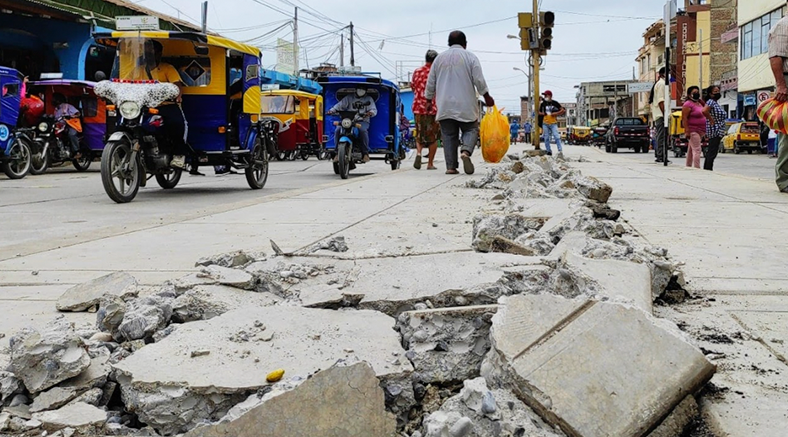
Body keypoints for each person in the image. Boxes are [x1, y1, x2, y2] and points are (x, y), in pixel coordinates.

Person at [425, 30, 494, 175]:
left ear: (448, 43)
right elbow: (479, 80)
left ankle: (451, 167)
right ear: (465, 44)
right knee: (470, 129)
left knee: (449, 136)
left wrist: (428, 100)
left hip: (444, 105)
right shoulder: (470, 57)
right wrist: (486, 95)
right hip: (466, 104)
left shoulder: (438, 59)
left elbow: (430, 82)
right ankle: (466, 152)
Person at [132, 40, 194, 173]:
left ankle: (179, 155)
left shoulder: (167, 68)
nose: (148, 53)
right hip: (144, 106)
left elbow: (177, 84)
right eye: (146, 50)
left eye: (151, 50)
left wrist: (177, 95)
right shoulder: (139, 70)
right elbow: (131, 84)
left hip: (166, 105)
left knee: (176, 124)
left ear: (159, 53)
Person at [327, 86, 377, 163]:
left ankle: (365, 154)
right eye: (359, 89)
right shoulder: (349, 98)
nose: (361, 91)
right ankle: (337, 153)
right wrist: (332, 110)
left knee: (362, 131)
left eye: (363, 89)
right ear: (356, 90)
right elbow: (339, 105)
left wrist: (370, 113)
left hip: (362, 121)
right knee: (337, 130)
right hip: (348, 121)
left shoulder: (368, 99)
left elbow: (373, 109)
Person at [410, 50, 441, 170]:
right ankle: (430, 164)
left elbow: (413, 87)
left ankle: (418, 154)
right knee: (433, 137)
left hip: (418, 108)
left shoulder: (417, 72)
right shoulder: (436, 73)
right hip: (432, 109)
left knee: (419, 135)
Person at [768, 10, 788, 193]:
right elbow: (775, 58)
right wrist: (781, 85)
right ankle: (784, 179)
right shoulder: (784, 25)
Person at [681, 86, 706, 169]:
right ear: (689, 94)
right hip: (693, 130)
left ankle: (688, 165)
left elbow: (706, 109)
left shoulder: (699, 103)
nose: (696, 94)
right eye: (694, 92)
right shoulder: (688, 104)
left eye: (697, 92)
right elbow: (684, 118)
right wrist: (687, 131)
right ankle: (697, 167)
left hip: (701, 130)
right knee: (697, 150)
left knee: (691, 149)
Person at [702, 85, 725, 171]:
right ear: (710, 94)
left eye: (718, 91)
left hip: (718, 130)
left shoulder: (715, 103)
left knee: (713, 151)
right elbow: (704, 111)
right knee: (712, 151)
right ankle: (708, 168)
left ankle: (708, 167)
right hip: (715, 130)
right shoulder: (711, 102)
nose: (717, 93)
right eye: (715, 92)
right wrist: (711, 120)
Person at [650, 67, 669, 163]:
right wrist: (665, 114)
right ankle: (661, 155)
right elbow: (661, 101)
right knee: (662, 136)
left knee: (661, 135)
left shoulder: (659, 84)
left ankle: (660, 154)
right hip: (661, 115)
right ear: (663, 74)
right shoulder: (661, 84)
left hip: (659, 114)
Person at [538, 90, 565, 156]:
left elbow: (562, 110)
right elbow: (539, 112)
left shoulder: (555, 103)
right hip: (545, 123)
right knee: (546, 137)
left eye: (546, 95)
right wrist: (542, 113)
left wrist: (556, 113)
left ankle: (560, 150)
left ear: (550, 96)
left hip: (553, 123)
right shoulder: (543, 104)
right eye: (544, 95)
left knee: (557, 136)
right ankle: (548, 151)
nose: (545, 96)